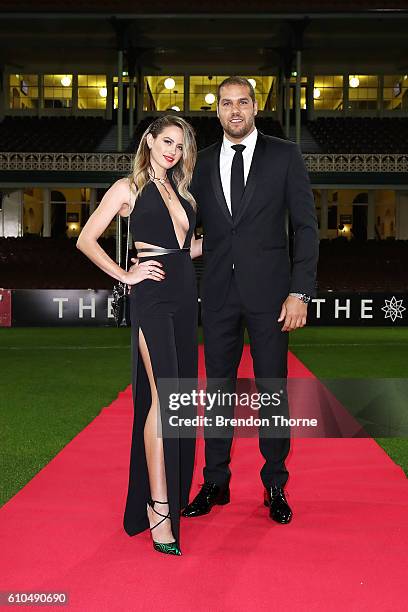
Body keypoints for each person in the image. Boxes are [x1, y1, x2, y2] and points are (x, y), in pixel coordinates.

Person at [182, 77, 319, 524]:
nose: (235, 110)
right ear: (217, 111)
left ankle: (274, 483)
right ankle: (215, 482)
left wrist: (300, 291)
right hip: (218, 295)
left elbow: (305, 229)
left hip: (273, 298)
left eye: (243, 102)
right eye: (226, 103)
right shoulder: (198, 164)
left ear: (255, 107)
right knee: (217, 393)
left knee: (272, 393)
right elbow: (186, 228)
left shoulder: (285, 155)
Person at [77, 115, 202, 555]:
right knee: (164, 397)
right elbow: (87, 240)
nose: (173, 150)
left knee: (176, 398)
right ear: (149, 140)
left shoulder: (183, 192)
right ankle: (158, 509)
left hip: (187, 296)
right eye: (166, 141)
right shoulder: (127, 188)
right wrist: (125, 276)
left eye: (181, 145)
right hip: (152, 296)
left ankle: (164, 496)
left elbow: (188, 249)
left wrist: (237, 240)